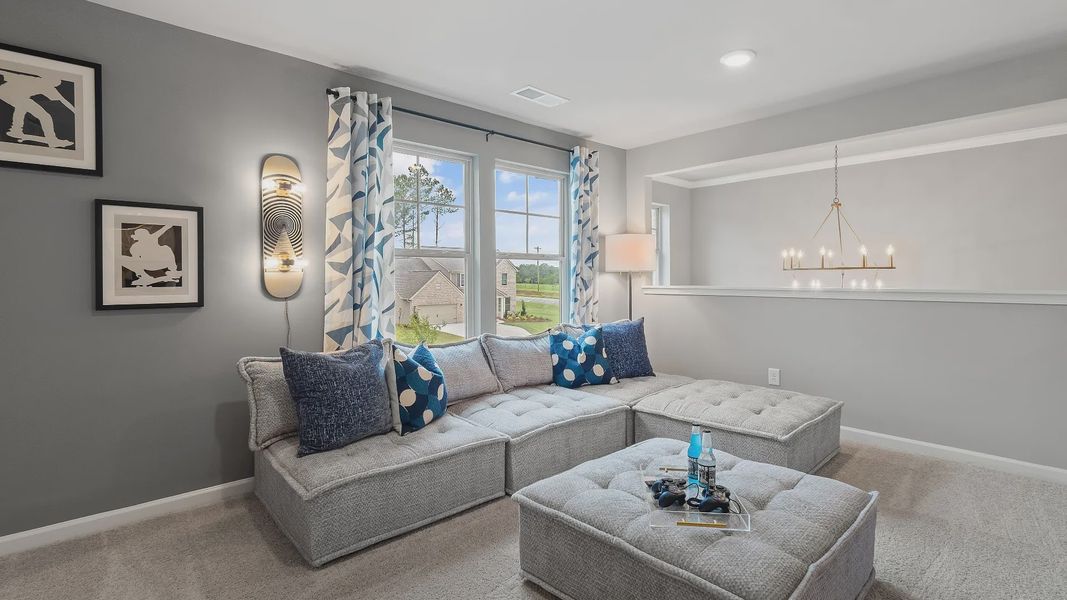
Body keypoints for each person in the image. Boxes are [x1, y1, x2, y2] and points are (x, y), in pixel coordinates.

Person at [0, 68, 75, 148]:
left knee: (22, 107)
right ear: (47, 79)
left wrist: (76, 112)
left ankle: (15, 130)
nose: (51, 87)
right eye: (51, 84)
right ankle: (52, 141)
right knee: (45, 116)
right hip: (8, 92)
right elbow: (9, 74)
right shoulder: (34, 80)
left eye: (53, 85)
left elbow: (63, 100)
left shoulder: (48, 87)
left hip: (7, 93)